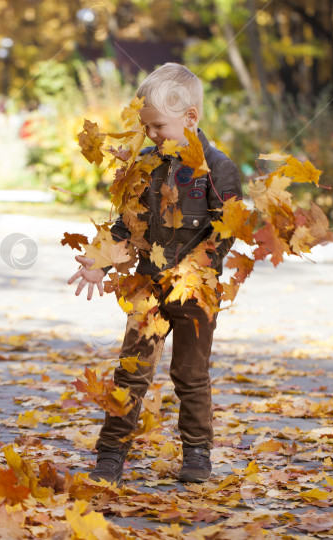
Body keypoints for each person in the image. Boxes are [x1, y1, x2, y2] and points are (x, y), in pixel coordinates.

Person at [68, 63, 242, 484]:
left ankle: (197, 452)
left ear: (191, 118)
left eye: (158, 125)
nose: (151, 134)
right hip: (147, 285)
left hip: (195, 292)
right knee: (132, 370)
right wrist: (100, 258)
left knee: (190, 373)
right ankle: (111, 453)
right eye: (146, 127)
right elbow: (127, 225)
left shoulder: (218, 170)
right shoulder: (145, 165)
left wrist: (195, 269)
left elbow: (226, 231)